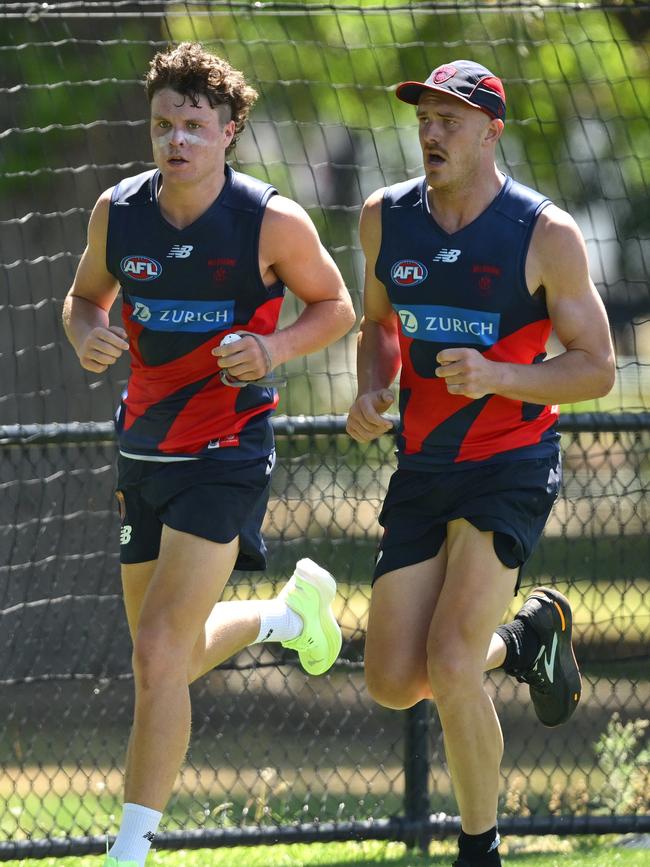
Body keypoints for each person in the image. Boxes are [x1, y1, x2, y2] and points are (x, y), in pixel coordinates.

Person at [62, 42, 355, 867]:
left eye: (194, 125)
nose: (176, 140)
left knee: (158, 649)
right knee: (172, 656)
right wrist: (89, 332)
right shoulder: (116, 211)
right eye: (163, 124)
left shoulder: (270, 219)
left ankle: (129, 852)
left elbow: (335, 306)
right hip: (143, 451)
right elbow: (85, 297)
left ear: (229, 131)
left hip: (227, 450)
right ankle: (284, 616)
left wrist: (275, 349)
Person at [346, 60, 615, 867]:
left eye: (450, 120)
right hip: (424, 465)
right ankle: (531, 633)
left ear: (491, 132)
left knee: (453, 660)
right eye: (425, 117)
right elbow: (376, 326)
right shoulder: (384, 218)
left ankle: (479, 845)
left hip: (511, 460)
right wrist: (371, 389)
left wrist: (500, 376)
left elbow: (597, 366)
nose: (431, 132)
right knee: (394, 678)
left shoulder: (546, 233)